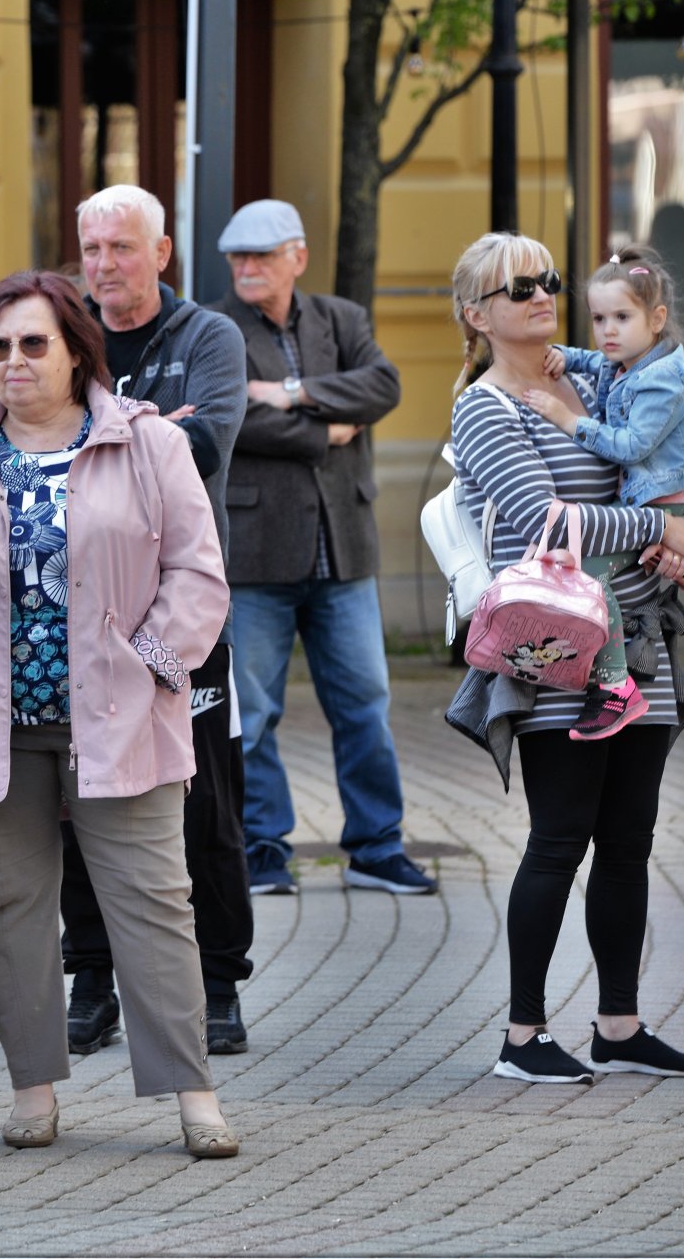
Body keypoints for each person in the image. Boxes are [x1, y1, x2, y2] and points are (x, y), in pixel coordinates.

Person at [0, 269, 239, 1158]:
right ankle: (32, 1092)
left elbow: (199, 573)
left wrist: (151, 661)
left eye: (33, 343)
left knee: (154, 906)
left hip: (121, 716)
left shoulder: (149, 445)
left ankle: (193, 1095)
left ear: (79, 351)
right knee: (11, 909)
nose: (13, 362)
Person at [444, 230, 684, 1085]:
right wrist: (656, 528)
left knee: (630, 840)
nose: (540, 293)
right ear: (476, 315)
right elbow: (541, 526)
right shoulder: (484, 407)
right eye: (517, 286)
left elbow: (659, 453)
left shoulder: (593, 369)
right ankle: (523, 1037)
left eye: (547, 278)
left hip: (639, 640)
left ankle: (618, 1026)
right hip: (558, 653)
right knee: (560, 839)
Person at [62, 183, 254, 1057]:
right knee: (78, 795)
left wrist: (109, 440)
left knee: (202, 797)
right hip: (76, 610)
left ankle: (219, 987)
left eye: (122, 249)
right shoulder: (66, 333)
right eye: (92, 250)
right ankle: (93, 979)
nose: (104, 266)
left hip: (182, 608)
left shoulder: (208, 337)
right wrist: (152, 434)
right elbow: (33, 440)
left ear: (162, 253)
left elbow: (206, 442)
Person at [207, 198, 436, 897]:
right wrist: (325, 429)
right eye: (237, 258)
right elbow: (230, 418)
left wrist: (291, 391)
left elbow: (384, 385)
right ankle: (263, 847)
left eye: (261, 256)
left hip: (343, 550)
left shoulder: (342, 319)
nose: (246, 268)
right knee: (252, 714)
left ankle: (375, 846)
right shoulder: (215, 328)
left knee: (365, 703)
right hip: (255, 552)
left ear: (296, 257)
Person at [520, 246, 684, 739]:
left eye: (622, 317)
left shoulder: (664, 380)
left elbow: (631, 446)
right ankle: (613, 676)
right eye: (598, 317)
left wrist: (570, 420)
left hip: (671, 504)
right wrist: (568, 357)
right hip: (649, 507)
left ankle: (614, 685)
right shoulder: (628, 357)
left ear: (657, 319)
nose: (608, 330)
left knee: (589, 570)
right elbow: (598, 361)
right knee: (588, 568)